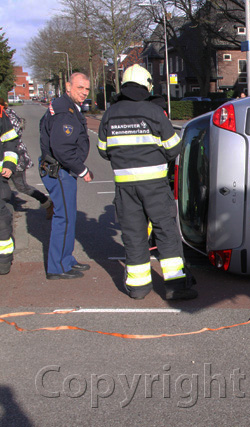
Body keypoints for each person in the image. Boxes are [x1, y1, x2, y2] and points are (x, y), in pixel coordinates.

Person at [98, 64, 197, 301]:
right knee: (165, 233)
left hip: (125, 188)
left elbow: (103, 150)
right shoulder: (153, 112)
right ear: (147, 85)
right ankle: (176, 288)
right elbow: (174, 147)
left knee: (133, 235)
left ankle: (138, 288)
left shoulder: (110, 113)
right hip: (154, 186)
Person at [39, 72, 94, 280]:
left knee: (69, 216)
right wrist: (83, 170)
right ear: (69, 86)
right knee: (64, 217)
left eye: (87, 89)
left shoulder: (69, 107)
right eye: (80, 88)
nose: (84, 93)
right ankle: (57, 266)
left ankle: (66, 259)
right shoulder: (64, 110)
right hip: (59, 169)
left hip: (64, 169)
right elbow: (61, 148)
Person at [0, 98, 53, 219]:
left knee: (21, 186)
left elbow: (12, 138)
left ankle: (47, 202)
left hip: (15, 156)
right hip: (5, 156)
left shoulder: (8, 116)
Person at [0, 98, 19, 275]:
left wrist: (9, 164)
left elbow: (10, 142)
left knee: (1, 221)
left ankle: (3, 261)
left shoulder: (0, 114)